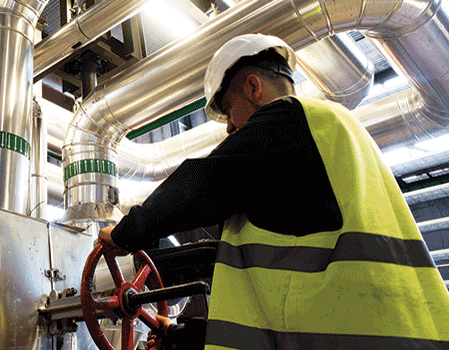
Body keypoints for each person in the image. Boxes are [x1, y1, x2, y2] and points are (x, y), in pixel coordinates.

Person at [97, 33, 449, 349]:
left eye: (229, 111)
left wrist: (127, 233)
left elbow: (200, 184)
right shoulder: (329, 141)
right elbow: (279, 305)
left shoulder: (293, 120)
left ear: (253, 87)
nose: (230, 128)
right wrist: (181, 334)